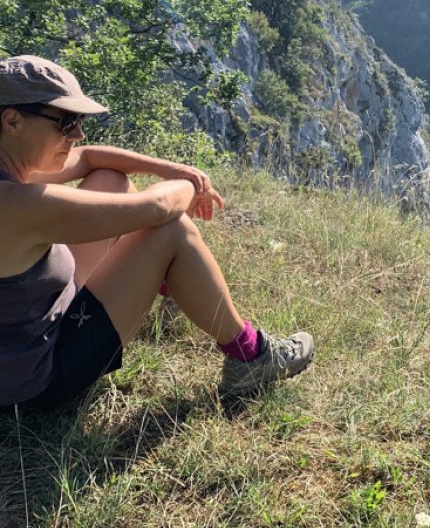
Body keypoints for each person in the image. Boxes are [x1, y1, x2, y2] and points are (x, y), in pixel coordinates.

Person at [0, 55, 313, 410]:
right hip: (35, 381)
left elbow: (89, 159)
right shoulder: (16, 205)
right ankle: (252, 356)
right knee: (171, 229)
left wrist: (174, 169)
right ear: (12, 121)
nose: (78, 134)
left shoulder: (10, 170)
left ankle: (174, 284)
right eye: (66, 121)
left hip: (24, 336)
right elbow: (157, 209)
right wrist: (188, 186)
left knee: (110, 181)